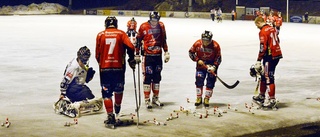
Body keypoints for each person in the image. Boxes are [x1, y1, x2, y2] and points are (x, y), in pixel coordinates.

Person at [95, 16, 139, 125]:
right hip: (119, 68)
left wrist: (103, 63)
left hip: (105, 68)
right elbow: (131, 47)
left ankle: (110, 115)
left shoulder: (100, 35)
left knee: (106, 93)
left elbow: (97, 55)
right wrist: (131, 59)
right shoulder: (121, 34)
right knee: (118, 89)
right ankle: (117, 107)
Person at [136, 11, 170, 109]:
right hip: (148, 56)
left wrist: (166, 52)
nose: (154, 22)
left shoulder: (161, 26)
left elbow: (164, 40)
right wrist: (137, 54)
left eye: (156, 20)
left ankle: (155, 98)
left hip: (158, 56)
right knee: (147, 77)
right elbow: (138, 40)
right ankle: (147, 99)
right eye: (153, 20)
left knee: (157, 77)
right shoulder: (143, 27)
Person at [252, 16, 283, 108]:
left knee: (268, 76)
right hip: (277, 54)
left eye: (256, 25)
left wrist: (258, 60)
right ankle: (261, 95)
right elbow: (278, 40)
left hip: (270, 56)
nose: (257, 27)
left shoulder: (263, 31)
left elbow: (263, 47)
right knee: (263, 75)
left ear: (258, 23)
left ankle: (272, 99)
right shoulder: (272, 28)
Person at [188, 30, 222, 107]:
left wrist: (214, 66)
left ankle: (207, 98)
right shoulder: (197, 43)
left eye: (207, 41)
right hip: (201, 66)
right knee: (199, 79)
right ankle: (198, 97)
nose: (205, 42)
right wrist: (197, 60)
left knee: (210, 82)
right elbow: (191, 52)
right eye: (204, 40)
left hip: (211, 67)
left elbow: (219, 58)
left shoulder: (216, 46)